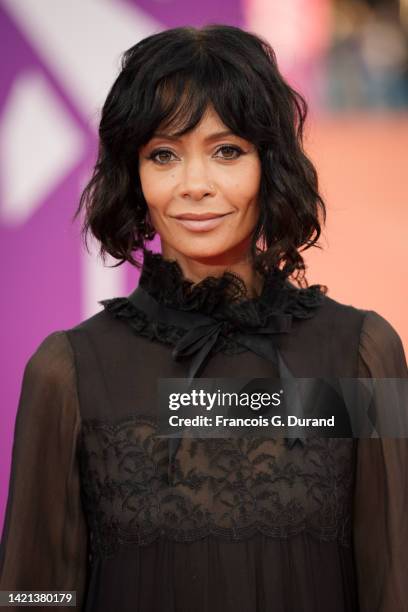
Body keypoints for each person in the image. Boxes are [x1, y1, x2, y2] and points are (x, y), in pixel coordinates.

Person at [0, 24, 407, 612]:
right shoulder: (67, 374)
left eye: (227, 151)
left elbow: (393, 578)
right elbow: (33, 595)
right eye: (163, 154)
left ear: (271, 165)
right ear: (133, 176)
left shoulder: (363, 353)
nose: (195, 186)